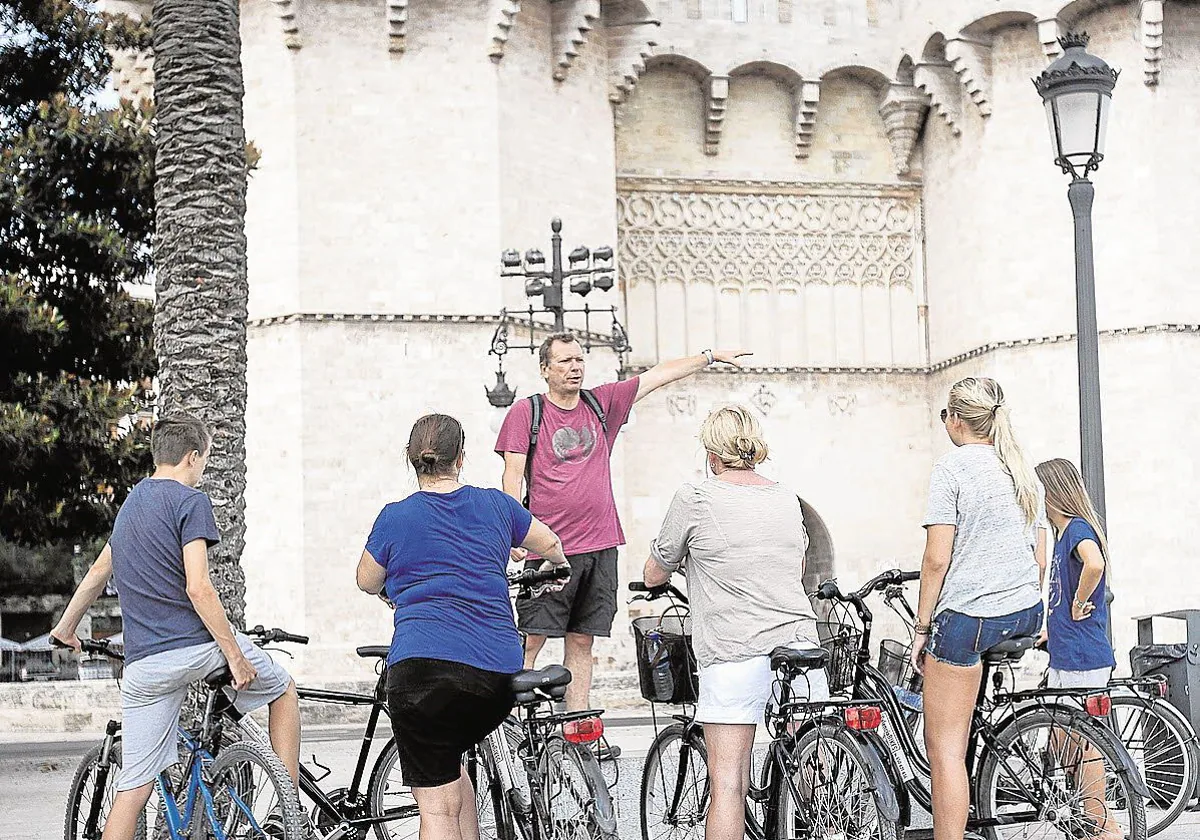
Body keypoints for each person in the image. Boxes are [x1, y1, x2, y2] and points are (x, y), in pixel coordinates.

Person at [50, 414, 302, 840]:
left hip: (145, 668)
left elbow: (98, 570)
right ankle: (288, 812)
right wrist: (236, 657)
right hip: (196, 649)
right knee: (282, 689)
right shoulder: (190, 502)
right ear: (192, 456)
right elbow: (199, 588)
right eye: (203, 461)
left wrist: (66, 627)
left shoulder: (130, 505)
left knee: (133, 788)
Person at [494, 332, 750, 732]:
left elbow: (656, 376)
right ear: (545, 370)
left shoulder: (602, 403)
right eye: (563, 362)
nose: (574, 367)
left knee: (582, 640)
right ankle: (507, 722)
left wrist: (710, 356)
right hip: (548, 549)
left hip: (601, 545)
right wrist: (513, 532)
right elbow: (512, 474)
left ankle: (576, 728)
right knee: (531, 638)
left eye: (579, 359)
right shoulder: (527, 413)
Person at [356, 413, 569, 840]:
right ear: (462, 457)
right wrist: (557, 567)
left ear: (412, 461)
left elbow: (366, 580)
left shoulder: (395, 517)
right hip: (493, 678)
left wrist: (394, 589)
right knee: (454, 777)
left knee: (436, 809)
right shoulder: (496, 505)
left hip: (421, 674)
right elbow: (551, 543)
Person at [642, 405, 826, 840]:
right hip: (801, 650)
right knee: (807, 774)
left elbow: (655, 571)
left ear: (712, 453)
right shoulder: (785, 496)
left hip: (734, 652)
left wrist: (682, 565)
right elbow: (796, 563)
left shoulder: (696, 496)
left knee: (729, 784)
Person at [910, 378, 1047, 840]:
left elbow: (935, 559)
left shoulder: (952, 469)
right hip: (1025, 610)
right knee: (966, 720)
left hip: (970, 617)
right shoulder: (1020, 470)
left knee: (945, 752)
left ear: (954, 418)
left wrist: (921, 627)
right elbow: (1039, 555)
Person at [1035, 457, 1120, 839]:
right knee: (1061, 738)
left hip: (1083, 655)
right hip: (1067, 650)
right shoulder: (1062, 534)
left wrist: (1078, 602)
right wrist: (1053, 627)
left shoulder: (1077, 530)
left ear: (1050, 493)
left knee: (1085, 743)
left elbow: (1094, 564)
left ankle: (1104, 825)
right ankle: (1087, 817)